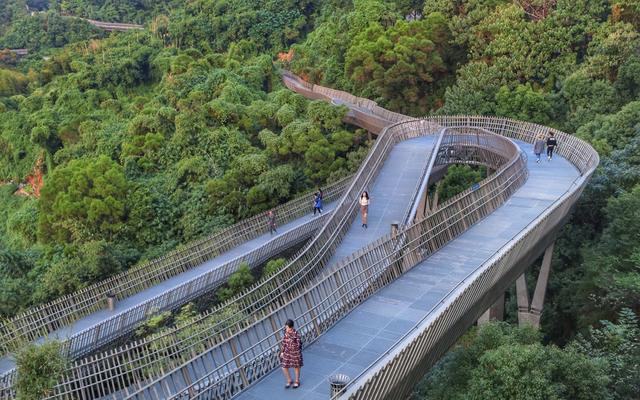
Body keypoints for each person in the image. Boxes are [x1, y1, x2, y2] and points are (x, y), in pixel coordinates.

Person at [280, 319, 303, 389]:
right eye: (286, 327)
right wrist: (282, 352)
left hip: (295, 353)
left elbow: (297, 345)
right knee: (284, 367)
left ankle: (297, 381)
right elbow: (283, 343)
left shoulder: (296, 335)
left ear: (291, 327)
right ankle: (289, 380)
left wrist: (291, 339)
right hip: (287, 352)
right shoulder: (285, 333)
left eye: (287, 328)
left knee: (296, 367)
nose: (286, 329)